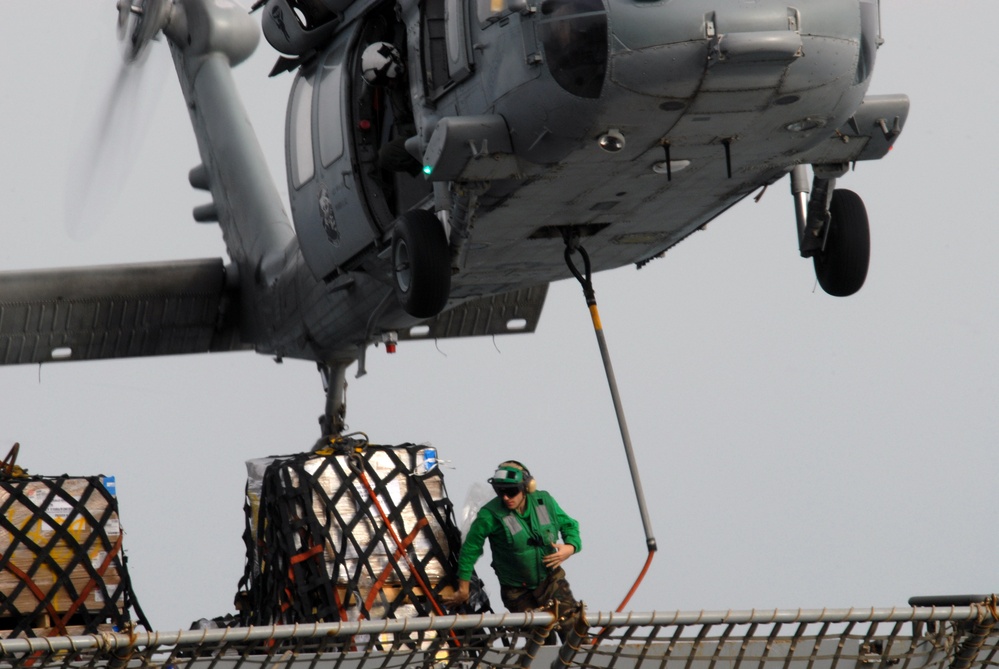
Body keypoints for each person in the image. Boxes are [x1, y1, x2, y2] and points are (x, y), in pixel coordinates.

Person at [447, 461, 582, 625]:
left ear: (526, 488)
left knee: (574, 628)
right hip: (517, 590)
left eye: (511, 492)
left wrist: (571, 547)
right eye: (500, 492)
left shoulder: (544, 502)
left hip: (550, 580)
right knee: (539, 639)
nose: (505, 497)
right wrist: (463, 588)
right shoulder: (489, 515)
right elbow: (470, 549)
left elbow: (569, 524)